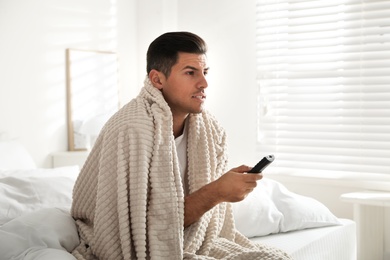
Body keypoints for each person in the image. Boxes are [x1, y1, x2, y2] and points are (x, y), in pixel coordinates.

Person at [71, 31, 292, 260]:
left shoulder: (211, 130)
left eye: (205, 72)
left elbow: (208, 225)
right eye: (190, 73)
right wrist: (217, 191)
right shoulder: (130, 130)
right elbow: (139, 231)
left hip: (191, 240)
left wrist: (223, 190)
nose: (204, 83)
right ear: (157, 79)